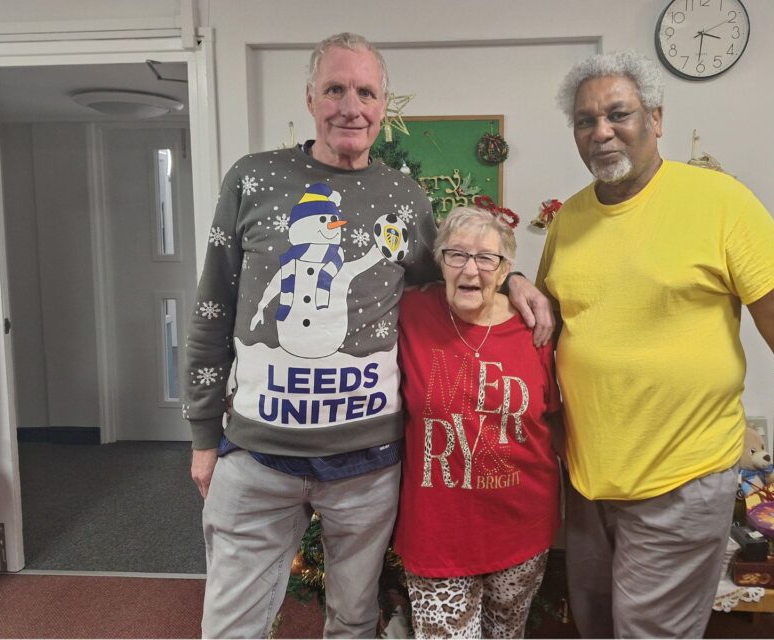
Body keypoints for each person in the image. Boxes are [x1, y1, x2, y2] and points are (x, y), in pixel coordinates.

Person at [184, 33, 552, 639]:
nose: (350, 107)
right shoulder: (253, 179)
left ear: (383, 106)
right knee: (230, 624)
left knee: (354, 619)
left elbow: (448, 280)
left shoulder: (404, 198)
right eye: (335, 89)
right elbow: (212, 307)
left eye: (365, 92)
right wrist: (203, 435)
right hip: (257, 458)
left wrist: (509, 278)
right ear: (310, 98)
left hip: (367, 467)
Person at [537, 50, 774, 639]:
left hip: (682, 476)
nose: (601, 132)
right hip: (587, 479)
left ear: (656, 118)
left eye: (618, 114)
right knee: (595, 624)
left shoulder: (720, 202)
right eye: (585, 120)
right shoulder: (568, 220)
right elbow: (553, 320)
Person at [394, 207, 562, 639]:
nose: (471, 269)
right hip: (438, 536)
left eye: (487, 258)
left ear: (505, 270)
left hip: (522, 527)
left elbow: (552, 417)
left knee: (507, 634)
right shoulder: (410, 312)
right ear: (440, 262)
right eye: (457, 255)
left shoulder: (534, 327)